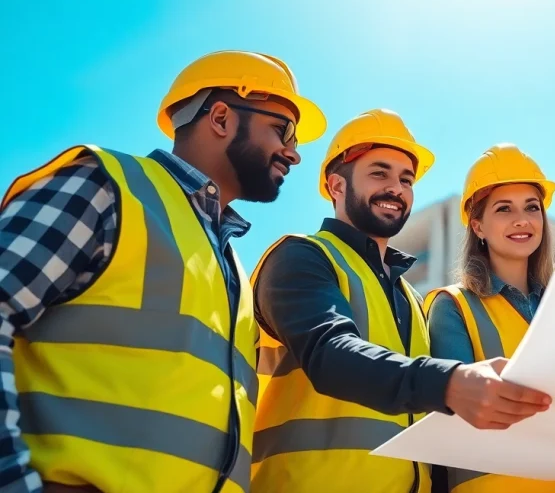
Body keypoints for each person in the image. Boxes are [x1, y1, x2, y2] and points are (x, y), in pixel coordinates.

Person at [0, 50, 326, 493]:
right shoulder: (106, 186)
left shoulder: (232, 272)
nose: (294, 153)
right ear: (221, 117)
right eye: (282, 129)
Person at [250, 111, 552, 493]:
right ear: (336, 185)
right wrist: (451, 382)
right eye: (379, 173)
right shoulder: (301, 257)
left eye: (406, 179)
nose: (396, 188)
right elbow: (330, 353)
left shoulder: (409, 298)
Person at [425, 143, 555, 493]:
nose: (522, 220)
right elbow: (457, 418)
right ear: (478, 226)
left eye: (531, 207)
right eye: (504, 209)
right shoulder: (452, 307)